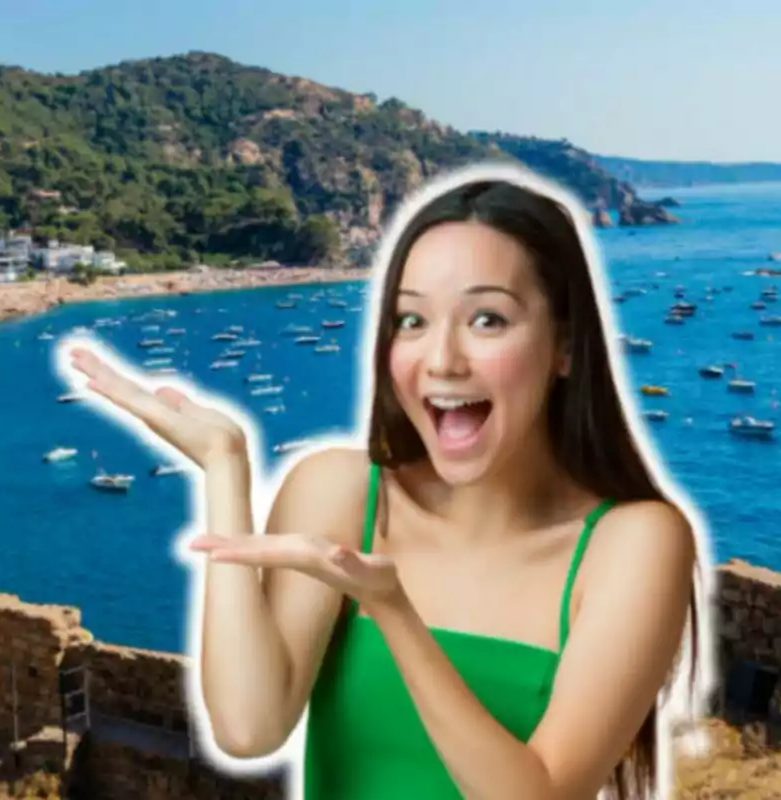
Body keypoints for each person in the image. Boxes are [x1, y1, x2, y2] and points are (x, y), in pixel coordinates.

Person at [63, 164, 710, 800]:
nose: (442, 360)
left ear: (565, 345)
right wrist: (226, 468)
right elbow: (249, 728)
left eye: (487, 319)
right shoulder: (338, 493)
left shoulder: (635, 542)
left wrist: (394, 611)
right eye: (412, 320)